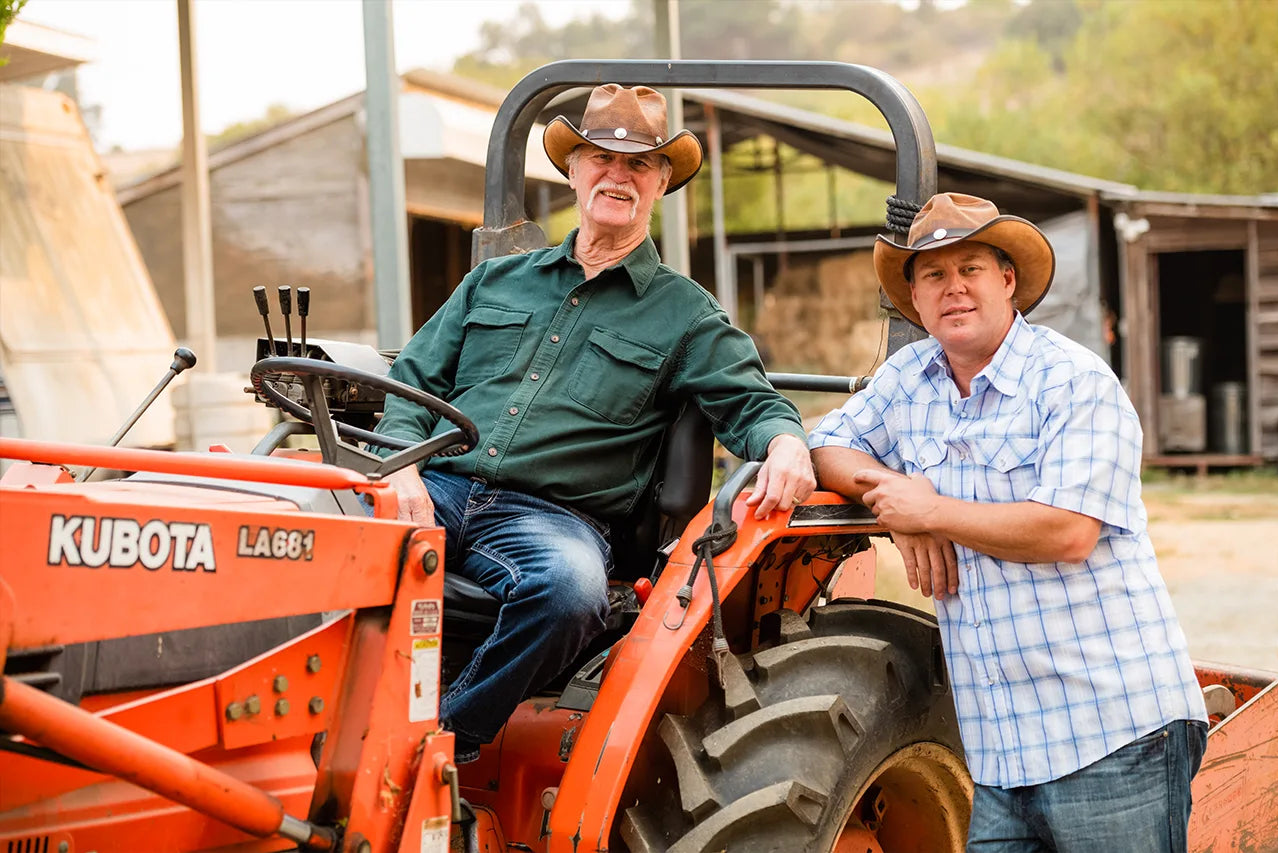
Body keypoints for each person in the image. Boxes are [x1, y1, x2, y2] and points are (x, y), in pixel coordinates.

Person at [374, 84, 815, 762]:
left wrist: (786, 444)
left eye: (639, 164)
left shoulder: (685, 315)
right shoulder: (494, 284)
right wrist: (401, 463)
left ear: (662, 181)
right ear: (574, 168)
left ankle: (434, 746)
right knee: (298, 518)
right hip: (436, 482)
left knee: (571, 591)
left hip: (550, 518)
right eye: (601, 158)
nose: (618, 174)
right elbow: (411, 380)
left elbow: (753, 404)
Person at [808, 192, 1208, 851]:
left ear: (1007, 280)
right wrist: (895, 496)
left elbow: (1068, 530)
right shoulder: (910, 378)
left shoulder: (1072, 381)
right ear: (914, 294)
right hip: (1002, 752)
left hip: (1111, 734)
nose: (953, 287)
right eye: (933, 274)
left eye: (970, 268)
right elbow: (828, 446)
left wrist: (932, 509)